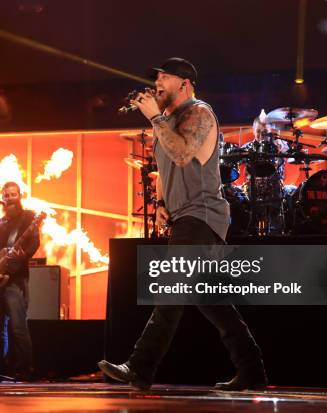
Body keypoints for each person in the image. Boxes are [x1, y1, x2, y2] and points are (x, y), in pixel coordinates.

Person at [98, 58, 267, 391]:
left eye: (164, 77)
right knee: (213, 302)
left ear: (185, 83)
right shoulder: (169, 120)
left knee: (171, 289)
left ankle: (140, 367)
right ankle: (252, 371)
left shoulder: (199, 113)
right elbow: (166, 168)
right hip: (185, 217)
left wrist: (154, 117)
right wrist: (162, 203)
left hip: (202, 215)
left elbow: (182, 154)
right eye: (156, 77)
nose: (157, 82)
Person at [0, 182, 40, 380]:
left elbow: (34, 242)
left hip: (15, 279)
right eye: (6, 195)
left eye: (13, 194)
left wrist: (23, 255)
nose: (10, 198)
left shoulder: (29, 217)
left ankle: (24, 369)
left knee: (18, 327)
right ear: (2, 198)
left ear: (20, 196)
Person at [243, 110, 291, 235]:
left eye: (264, 132)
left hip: (275, 192)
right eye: (258, 131)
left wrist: (279, 147)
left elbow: (288, 149)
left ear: (270, 131)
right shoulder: (248, 147)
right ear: (253, 130)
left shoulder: (278, 145)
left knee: (276, 228)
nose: (261, 135)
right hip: (252, 192)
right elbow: (235, 156)